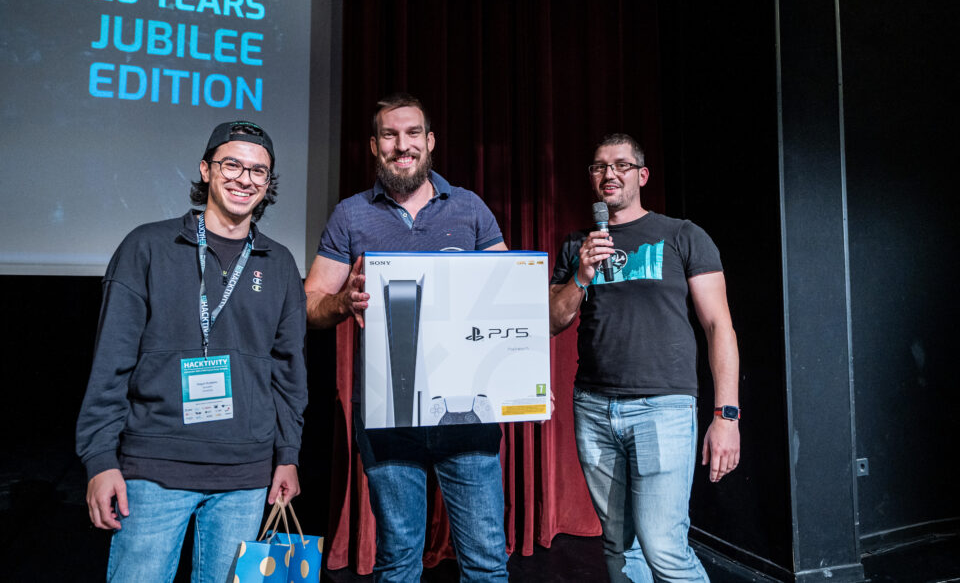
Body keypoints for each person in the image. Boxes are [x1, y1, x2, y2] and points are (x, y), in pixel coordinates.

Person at [75, 120, 308, 582]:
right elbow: (111, 363)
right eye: (232, 165)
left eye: (258, 171)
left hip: (246, 476)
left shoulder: (279, 263)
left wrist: (288, 454)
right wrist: (100, 459)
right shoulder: (148, 247)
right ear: (206, 170)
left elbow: (289, 372)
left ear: (268, 184)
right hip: (154, 470)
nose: (245, 178)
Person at [303, 92, 509, 582]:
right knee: (397, 564)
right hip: (389, 417)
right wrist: (342, 302)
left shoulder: (469, 208)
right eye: (390, 136)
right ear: (374, 146)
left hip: (468, 414)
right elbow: (310, 304)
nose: (403, 145)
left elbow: (508, 287)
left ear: (430, 141)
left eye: (413, 134)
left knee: (485, 563)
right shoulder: (351, 215)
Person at [548, 133, 740, 583]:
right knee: (618, 544)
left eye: (620, 165)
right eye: (598, 167)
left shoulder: (681, 235)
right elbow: (553, 321)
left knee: (664, 548)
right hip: (594, 407)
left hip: (664, 408)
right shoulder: (578, 244)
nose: (608, 174)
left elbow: (719, 327)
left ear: (642, 175)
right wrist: (581, 274)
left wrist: (726, 415)